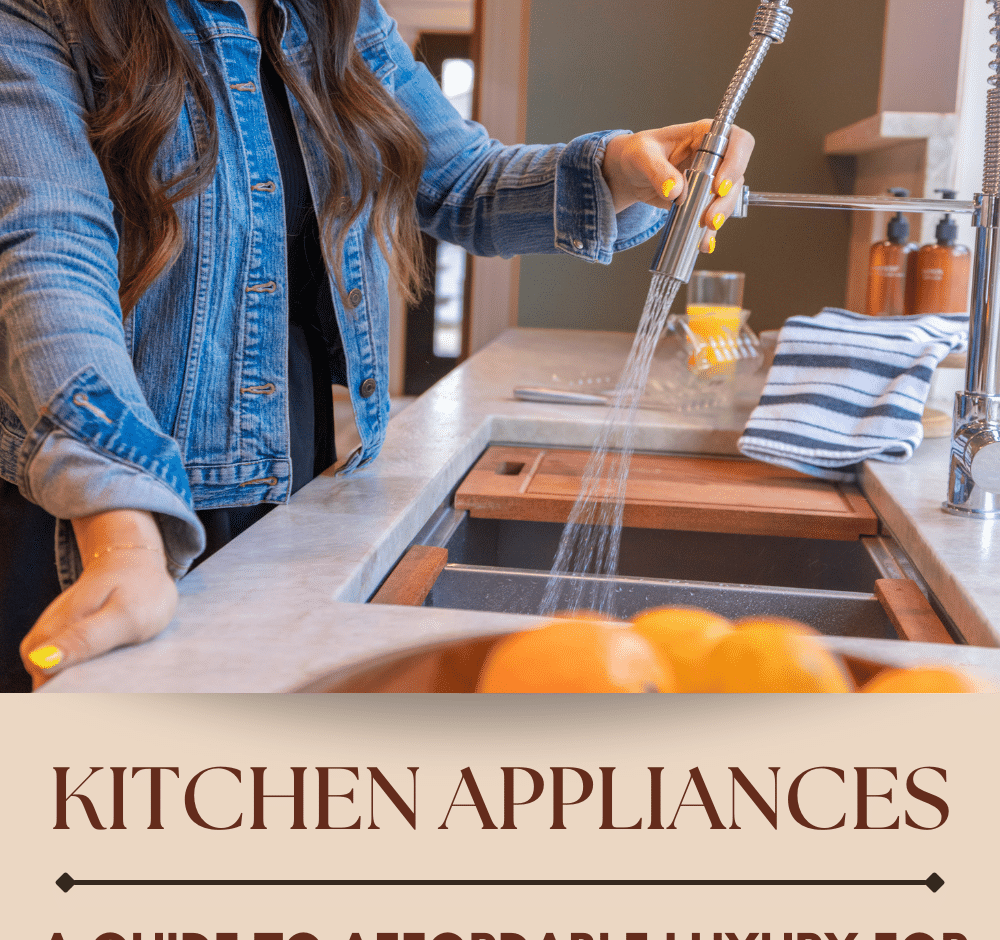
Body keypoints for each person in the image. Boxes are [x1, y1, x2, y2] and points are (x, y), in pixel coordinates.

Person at [0, 0, 753, 690]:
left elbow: (466, 182)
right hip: (97, 518)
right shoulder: (48, 14)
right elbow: (50, 257)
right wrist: (125, 533)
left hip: (280, 500)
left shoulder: (338, 16)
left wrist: (621, 167)